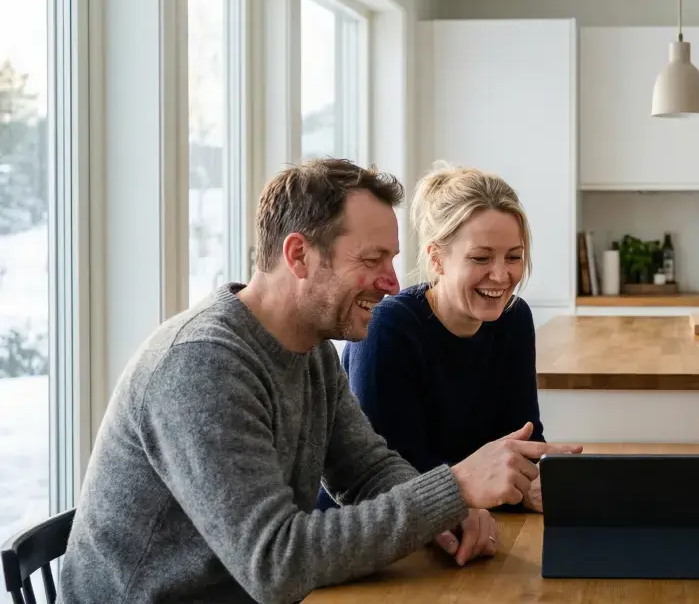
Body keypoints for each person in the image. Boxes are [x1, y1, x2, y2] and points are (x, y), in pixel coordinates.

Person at [59, 158, 581, 603]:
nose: (394, 283)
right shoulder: (202, 366)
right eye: (372, 260)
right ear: (299, 256)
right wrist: (454, 488)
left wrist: (447, 511)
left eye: (393, 260)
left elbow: (367, 471)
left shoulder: (308, 351)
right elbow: (276, 563)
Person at [317, 161, 549, 512]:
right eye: (481, 258)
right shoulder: (389, 327)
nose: (501, 276)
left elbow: (524, 440)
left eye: (514, 257)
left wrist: (538, 480)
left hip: (469, 517)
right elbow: (390, 484)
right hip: (373, 534)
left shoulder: (514, 319)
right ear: (437, 259)